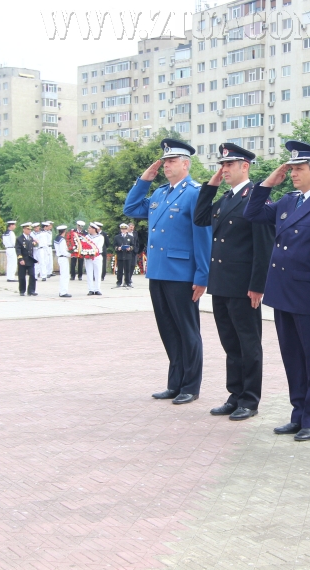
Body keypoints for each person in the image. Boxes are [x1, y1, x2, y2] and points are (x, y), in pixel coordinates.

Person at [244, 140, 310, 441]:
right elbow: (253, 213)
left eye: (299, 169)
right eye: (290, 169)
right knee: (292, 357)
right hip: (282, 291)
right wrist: (267, 183)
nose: (292, 174)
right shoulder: (288, 201)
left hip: (309, 295)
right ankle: (298, 413)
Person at [123, 138, 211, 405]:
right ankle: (175, 383)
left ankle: (190, 386)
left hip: (182, 273)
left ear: (185, 164)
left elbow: (203, 237)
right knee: (168, 330)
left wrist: (202, 276)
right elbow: (131, 208)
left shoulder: (196, 193)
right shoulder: (160, 193)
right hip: (158, 271)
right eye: (164, 161)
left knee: (187, 330)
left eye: (171, 161)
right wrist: (144, 180)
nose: (165, 165)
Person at [194, 142, 275, 421]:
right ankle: (235, 394)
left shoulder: (257, 199)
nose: (224, 169)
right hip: (221, 283)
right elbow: (200, 217)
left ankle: (250, 400)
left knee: (248, 344)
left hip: (244, 286)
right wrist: (211, 185)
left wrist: (257, 285)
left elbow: (263, 246)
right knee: (230, 343)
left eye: (229, 165)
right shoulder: (227, 199)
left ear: (245, 166)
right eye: (222, 165)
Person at [15, 222, 38, 296]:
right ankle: (22, 290)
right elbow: (18, 250)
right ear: (24, 229)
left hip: (30, 260)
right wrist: (20, 259)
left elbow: (31, 248)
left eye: (30, 229)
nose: (29, 231)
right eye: (28, 229)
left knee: (32, 275)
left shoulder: (30, 238)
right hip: (23, 260)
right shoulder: (19, 239)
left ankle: (31, 290)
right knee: (22, 276)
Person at [114, 223, 136, 288]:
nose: (123, 230)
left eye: (125, 229)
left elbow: (133, 246)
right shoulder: (117, 237)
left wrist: (130, 248)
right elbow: (114, 246)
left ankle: (128, 282)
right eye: (122, 229)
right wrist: (118, 248)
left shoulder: (130, 237)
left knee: (127, 270)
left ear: (127, 230)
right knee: (120, 270)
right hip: (120, 255)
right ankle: (119, 282)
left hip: (127, 255)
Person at [84, 223, 104, 296]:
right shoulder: (86, 237)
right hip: (88, 257)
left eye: (89, 228)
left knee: (98, 273)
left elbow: (98, 247)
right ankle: (90, 289)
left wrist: (91, 251)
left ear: (94, 229)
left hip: (97, 256)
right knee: (89, 273)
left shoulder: (100, 237)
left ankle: (97, 289)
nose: (88, 229)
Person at [53, 225, 72, 297]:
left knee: (63, 275)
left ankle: (62, 290)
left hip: (60, 258)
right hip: (63, 258)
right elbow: (63, 251)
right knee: (65, 275)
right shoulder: (62, 240)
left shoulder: (57, 239)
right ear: (64, 231)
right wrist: (70, 255)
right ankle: (63, 291)